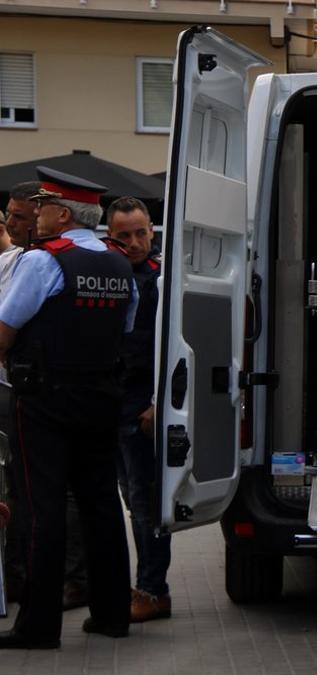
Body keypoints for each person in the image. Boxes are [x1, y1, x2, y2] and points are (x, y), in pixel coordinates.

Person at [0, 167, 138, 649]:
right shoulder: (122, 264)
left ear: (62, 213)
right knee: (101, 504)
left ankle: (37, 627)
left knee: (42, 508)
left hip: (43, 399)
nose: (35, 215)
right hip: (100, 397)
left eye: (41, 207)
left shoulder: (44, 262)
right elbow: (123, 332)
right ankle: (113, 614)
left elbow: (5, 328)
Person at [106, 196, 170, 622]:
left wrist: (156, 403)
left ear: (152, 230)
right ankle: (143, 587)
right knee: (132, 501)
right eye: (124, 235)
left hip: (143, 407)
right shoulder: (109, 274)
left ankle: (153, 589)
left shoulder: (163, 278)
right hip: (113, 404)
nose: (134, 242)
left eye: (140, 233)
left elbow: (178, 346)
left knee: (146, 505)